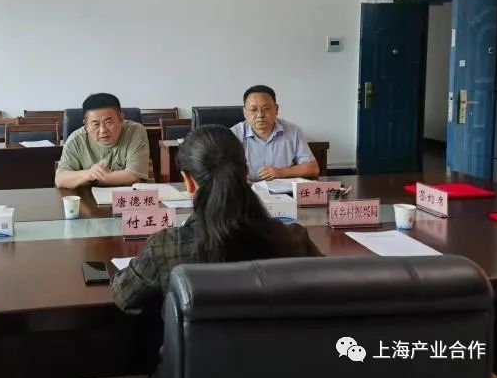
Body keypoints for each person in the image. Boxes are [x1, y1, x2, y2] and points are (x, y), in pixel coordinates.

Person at [111, 125, 320, 312]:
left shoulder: (166, 246)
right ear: (246, 173)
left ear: (188, 182)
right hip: (278, 345)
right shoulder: (293, 239)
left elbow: (123, 295)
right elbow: (328, 285)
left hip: (198, 346)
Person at [55, 93, 150, 188]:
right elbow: (60, 180)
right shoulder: (76, 140)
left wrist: (93, 178)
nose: (103, 130)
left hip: (126, 195)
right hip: (87, 196)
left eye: (109, 122)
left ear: (121, 119)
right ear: (86, 125)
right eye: (96, 124)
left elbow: (133, 176)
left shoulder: (134, 131)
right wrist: (89, 174)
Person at [231, 85, 319, 180]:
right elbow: (223, 170)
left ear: (276, 109)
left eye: (266, 109)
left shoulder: (293, 131)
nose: (260, 115)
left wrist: (281, 172)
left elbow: (313, 168)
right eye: (253, 110)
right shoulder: (233, 134)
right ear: (244, 112)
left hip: (283, 188)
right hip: (247, 188)